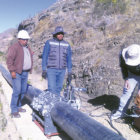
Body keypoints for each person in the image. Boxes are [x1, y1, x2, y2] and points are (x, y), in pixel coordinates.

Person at [6, 30, 33, 118]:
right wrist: (12, 71)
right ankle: (14, 110)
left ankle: (18, 106)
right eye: (24, 39)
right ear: (19, 39)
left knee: (23, 90)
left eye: (27, 39)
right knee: (17, 91)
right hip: (17, 72)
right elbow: (9, 60)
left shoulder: (27, 47)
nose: (26, 41)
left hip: (25, 72)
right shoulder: (14, 47)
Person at [111, 44, 140, 120]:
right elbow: (123, 67)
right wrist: (126, 79)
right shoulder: (123, 54)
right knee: (126, 92)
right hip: (131, 74)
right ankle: (121, 113)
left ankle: (137, 118)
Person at [42, 26, 72, 95]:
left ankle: (56, 104)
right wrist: (44, 69)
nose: (60, 35)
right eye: (59, 33)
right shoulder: (49, 42)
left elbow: (69, 59)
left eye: (62, 33)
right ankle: (51, 104)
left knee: (58, 89)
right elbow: (45, 56)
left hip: (62, 70)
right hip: (51, 70)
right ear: (55, 34)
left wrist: (69, 71)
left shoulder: (67, 44)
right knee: (52, 88)